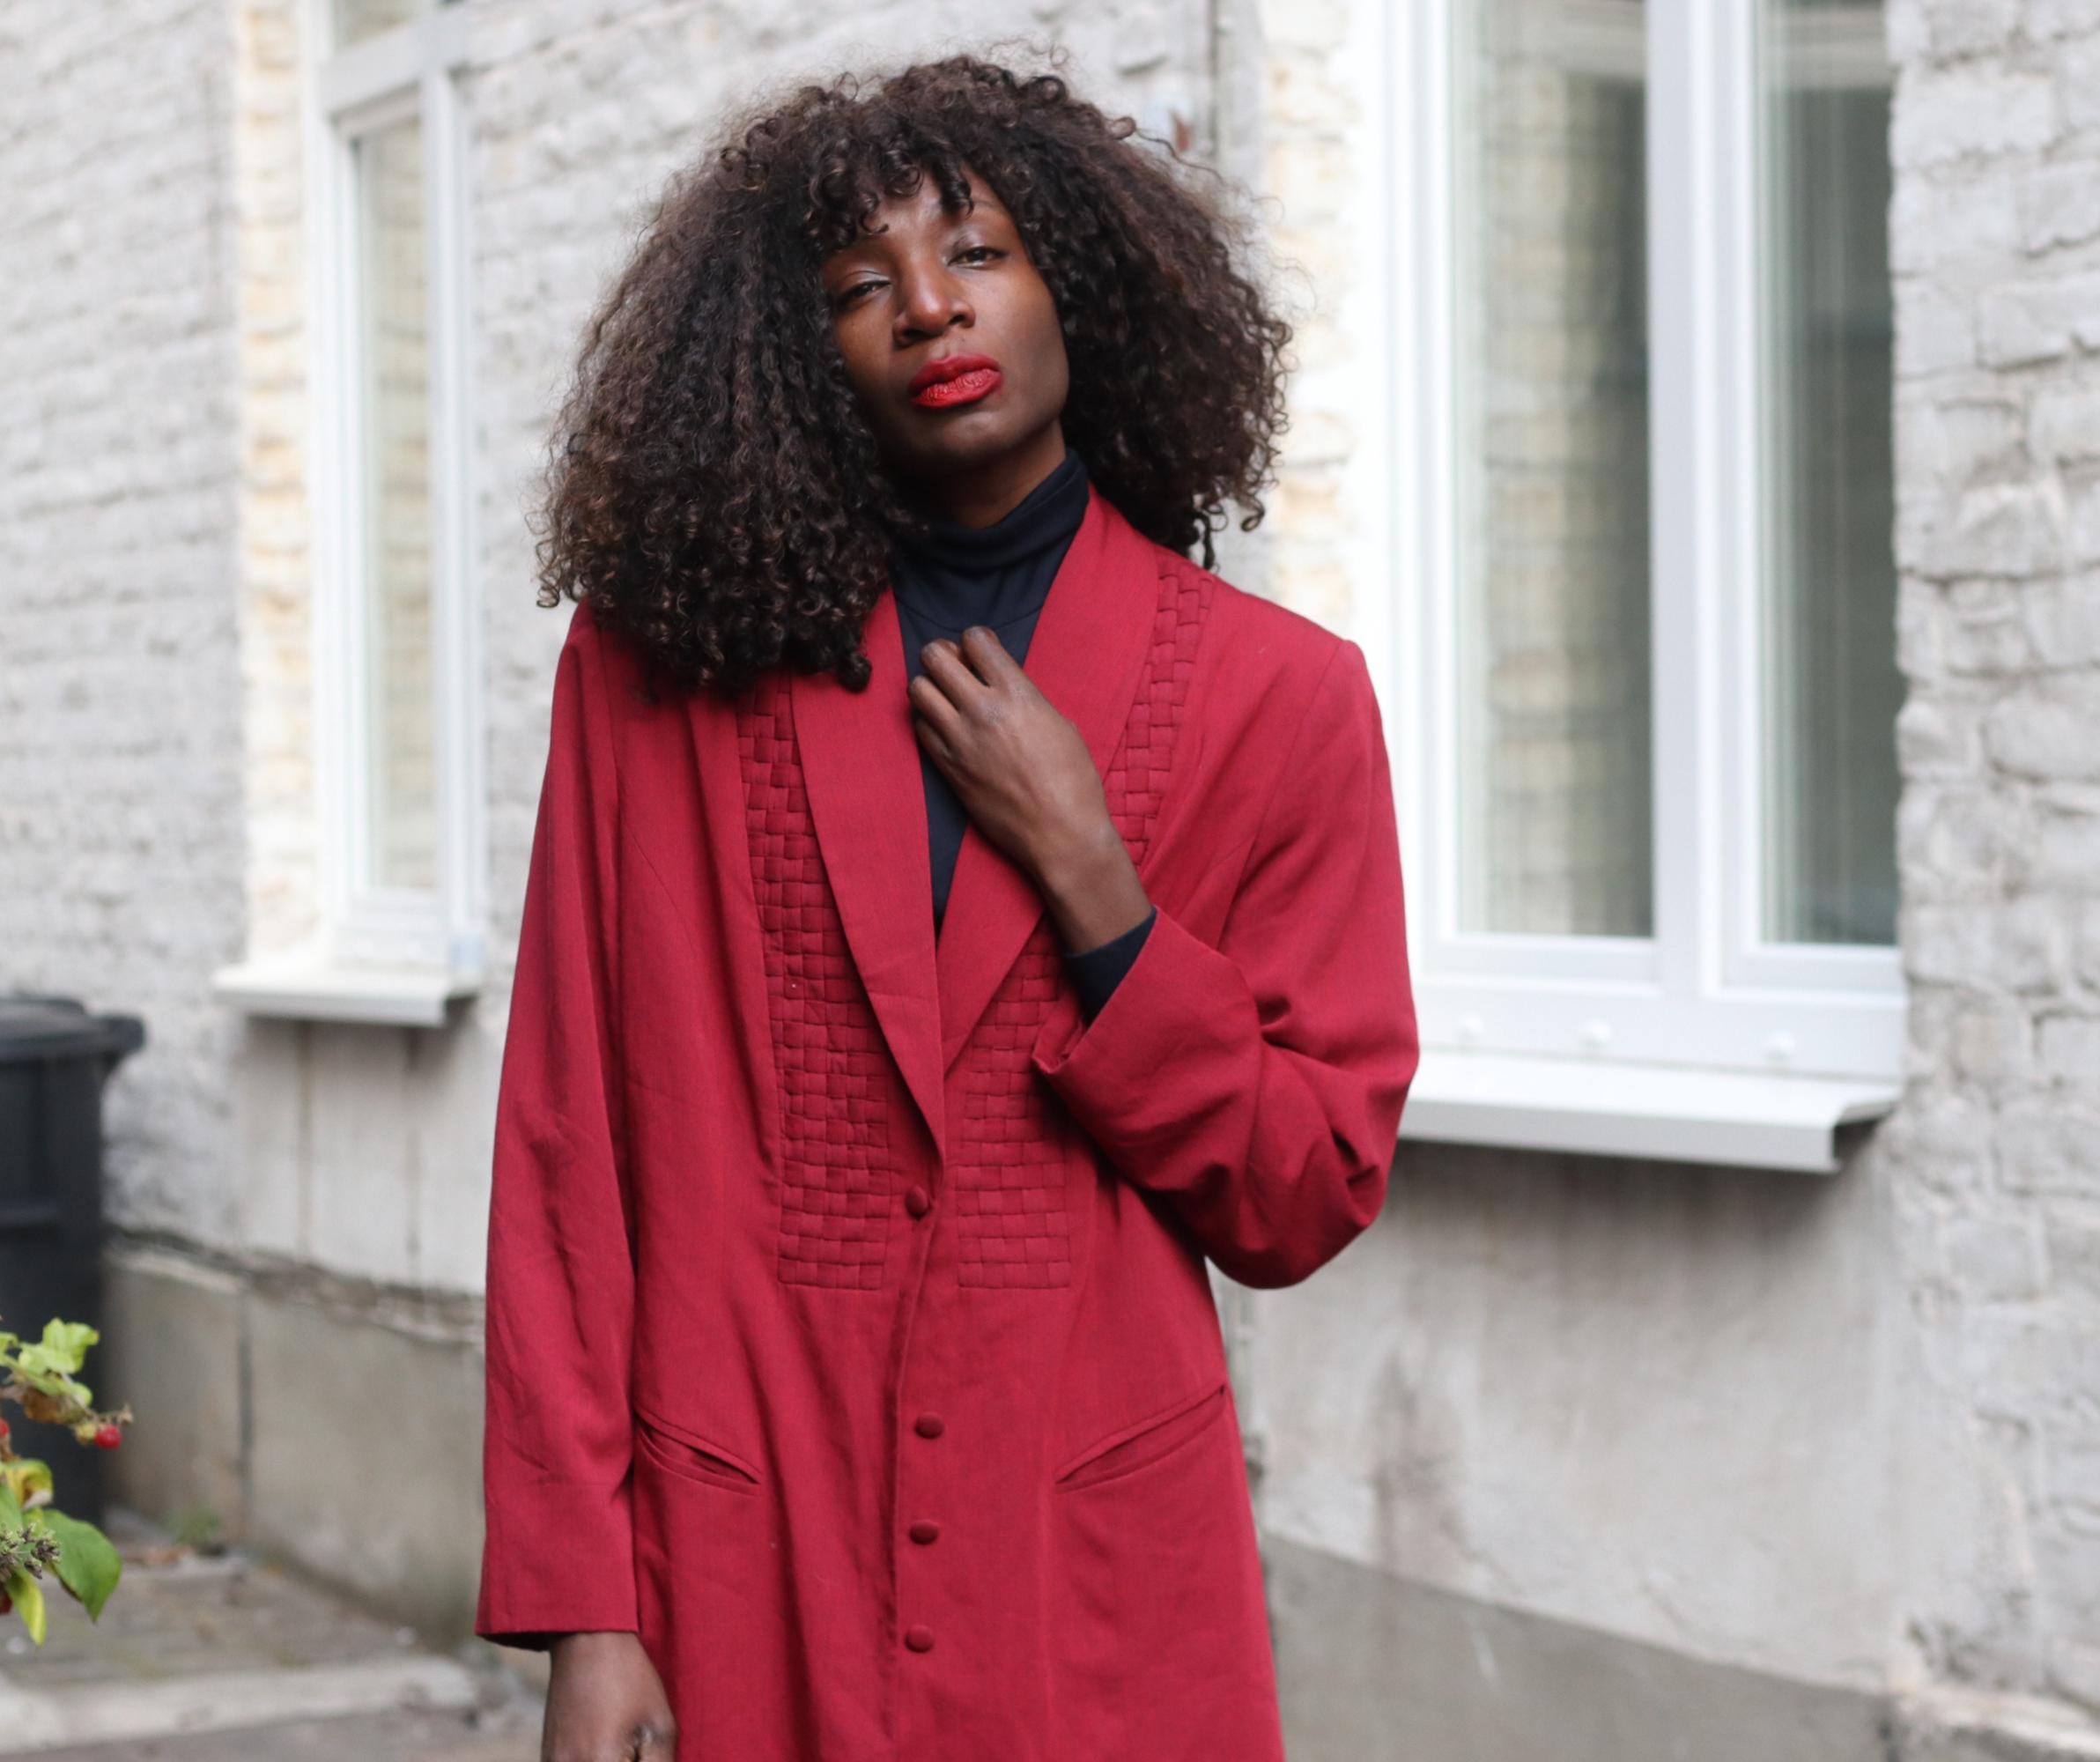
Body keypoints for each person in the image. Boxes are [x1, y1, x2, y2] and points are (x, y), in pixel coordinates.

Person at [471, 52, 1420, 1762]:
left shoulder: (1280, 698)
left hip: (1090, 1585)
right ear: (789, 354)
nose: (928, 307)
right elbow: (566, 1149)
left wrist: (1101, 891)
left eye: (978, 251)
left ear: (1085, 287)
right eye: (861, 285)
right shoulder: (655, 677)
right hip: (744, 1561)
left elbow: (1305, 1187)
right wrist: (585, 1610)